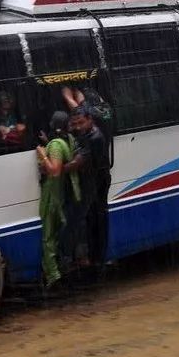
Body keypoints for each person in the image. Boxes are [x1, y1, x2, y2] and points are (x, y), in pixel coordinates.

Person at [64, 105, 112, 274]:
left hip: (98, 182)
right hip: (91, 180)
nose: (77, 127)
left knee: (97, 218)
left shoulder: (95, 137)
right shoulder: (85, 133)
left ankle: (97, 261)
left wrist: (55, 168)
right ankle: (92, 258)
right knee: (90, 218)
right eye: (74, 123)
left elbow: (78, 162)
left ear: (90, 120)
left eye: (81, 123)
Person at [35, 111, 76, 288]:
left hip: (52, 194)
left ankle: (53, 275)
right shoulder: (69, 139)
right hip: (62, 193)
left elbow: (54, 170)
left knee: (48, 236)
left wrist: (42, 154)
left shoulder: (55, 146)